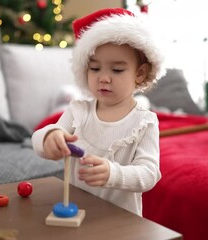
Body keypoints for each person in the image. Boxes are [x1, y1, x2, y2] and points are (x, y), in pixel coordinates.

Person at [31, 8, 165, 216]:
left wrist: (113, 173)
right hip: (77, 214)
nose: (103, 78)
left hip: (122, 222)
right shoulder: (78, 110)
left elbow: (148, 174)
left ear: (140, 73)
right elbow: (39, 140)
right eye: (95, 69)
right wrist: (50, 137)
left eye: (117, 70)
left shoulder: (145, 122)